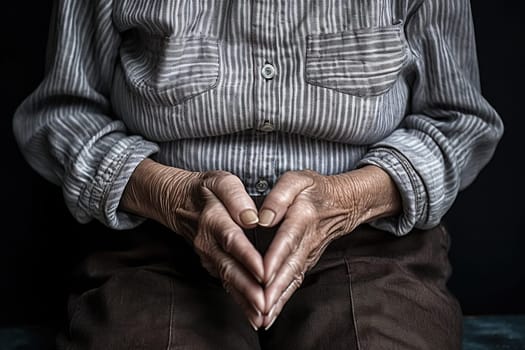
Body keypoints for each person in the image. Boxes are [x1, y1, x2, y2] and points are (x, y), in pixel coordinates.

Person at [13, 0, 503, 349]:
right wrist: (170, 196)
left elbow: (456, 120)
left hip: (365, 240)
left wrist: (348, 198)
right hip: (159, 240)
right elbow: (64, 115)